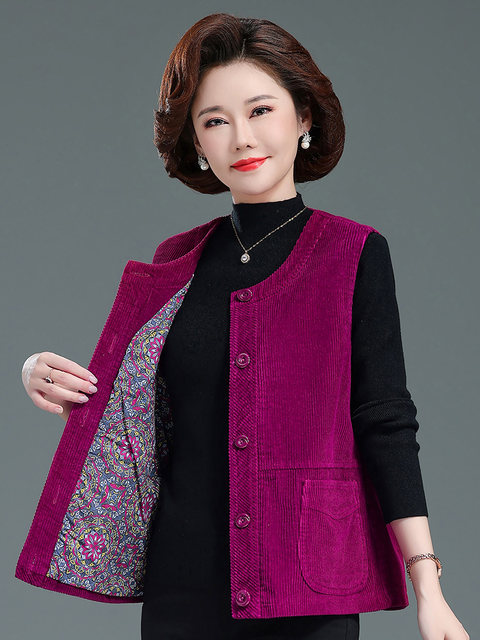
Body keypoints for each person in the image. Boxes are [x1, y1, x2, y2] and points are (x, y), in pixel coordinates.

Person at [18, 12, 469, 640]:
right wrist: (40, 373)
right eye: (215, 121)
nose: (241, 138)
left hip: (307, 591)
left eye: (260, 110)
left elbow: (385, 420)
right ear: (197, 144)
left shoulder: (354, 254)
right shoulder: (176, 261)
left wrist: (429, 586)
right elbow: (131, 410)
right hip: (182, 587)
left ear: (303, 117)